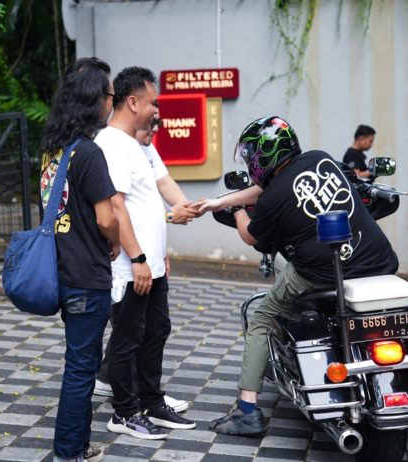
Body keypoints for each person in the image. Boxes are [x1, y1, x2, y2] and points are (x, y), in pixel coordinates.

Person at [198, 116, 398, 436]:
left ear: (262, 157)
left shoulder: (272, 200)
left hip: (322, 274)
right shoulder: (320, 159)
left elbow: (251, 236)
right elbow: (271, 189)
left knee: (262, 317)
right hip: (378, 261)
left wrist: (234, 210)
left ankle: (247, 411)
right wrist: (219, 201)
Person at [95, 66, 196, 440]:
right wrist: (138, 259)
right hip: (130, 267)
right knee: (127, 339)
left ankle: (152, 401)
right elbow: (115, 208)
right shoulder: (111, 143)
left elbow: (147, 201)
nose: (156, 111)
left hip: (151, 264)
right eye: (153, 103)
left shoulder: (135, 145)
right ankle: (124, 412)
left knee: (156, 330)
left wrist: (156, 254)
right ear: (133, 102)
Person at [40, 57, 120, 462]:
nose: (112, 102)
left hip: (64, 272)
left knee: (78, 363)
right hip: (88, 275)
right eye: (111, 95)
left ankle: (77, 446)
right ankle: (68, 451)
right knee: (81, 368)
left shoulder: (55, 152)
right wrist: (117, 241)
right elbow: (106, 217)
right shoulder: (89, 153)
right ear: (94, 99)